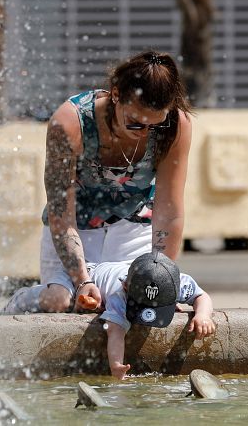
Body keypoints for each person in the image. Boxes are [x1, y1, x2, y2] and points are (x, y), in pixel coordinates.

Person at [25, 50, 194, 313]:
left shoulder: (175, 125)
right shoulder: (70, 122)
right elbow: (61, 212)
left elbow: (169, 211)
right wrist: (82, 281)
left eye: (155, 125)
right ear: (116, 95)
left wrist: (161, 279)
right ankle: (16, 305)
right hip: (75, 230)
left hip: (134, 231)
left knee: (135, 310)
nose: (145, 133)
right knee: (63, 305)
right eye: (136, 123)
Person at [96, 252, 214, 380]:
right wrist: (116, 365)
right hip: (95, 272)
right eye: (143, 305)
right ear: (125, 287)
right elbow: (115, 330)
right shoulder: (118, 295)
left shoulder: (178, 284)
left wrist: (202, 315)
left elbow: (201, 296)